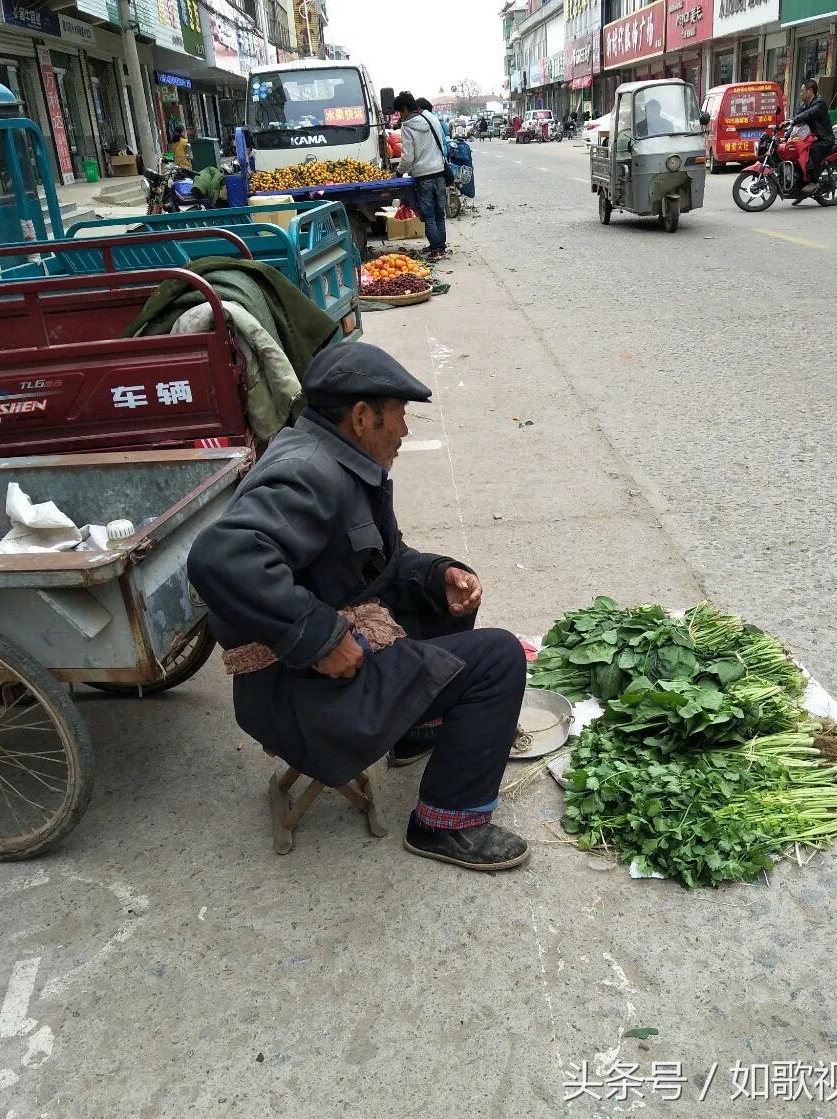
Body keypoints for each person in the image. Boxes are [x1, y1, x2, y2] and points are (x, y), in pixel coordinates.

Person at [187, 343, 530, 873]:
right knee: (500, 657)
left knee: (440, 600)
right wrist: (320, 638)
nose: (405, 431)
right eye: (398, 417)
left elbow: (381, 564)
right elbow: (221, 557)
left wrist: (438, 575)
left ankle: (414, 730)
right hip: (298, 700)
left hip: (309, 683)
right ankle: (445, 824)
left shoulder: (336, 461)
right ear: (362, 417)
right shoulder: (309, 472)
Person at [394, 91, 448, 262]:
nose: (401, 116)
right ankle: (439, 246)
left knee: (429, 214)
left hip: (423, 176)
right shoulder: (431, 118)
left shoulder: (408, 126)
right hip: (439, 171)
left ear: (404, 109)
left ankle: (436, 249)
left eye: (400, 112)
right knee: (440, 213)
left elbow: (408, 157)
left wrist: (398, 172)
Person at [791, 78, 835, 194]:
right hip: (811, 138)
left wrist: (795, 120)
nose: (800, 93)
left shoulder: (819, 103)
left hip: (824, 139)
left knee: (813, 150)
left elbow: (808, 114)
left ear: (810, 90)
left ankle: (814, 182)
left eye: (802, 91)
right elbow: (797, 118)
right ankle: (800, 182)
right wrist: (786, 135)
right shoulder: (805, 104)